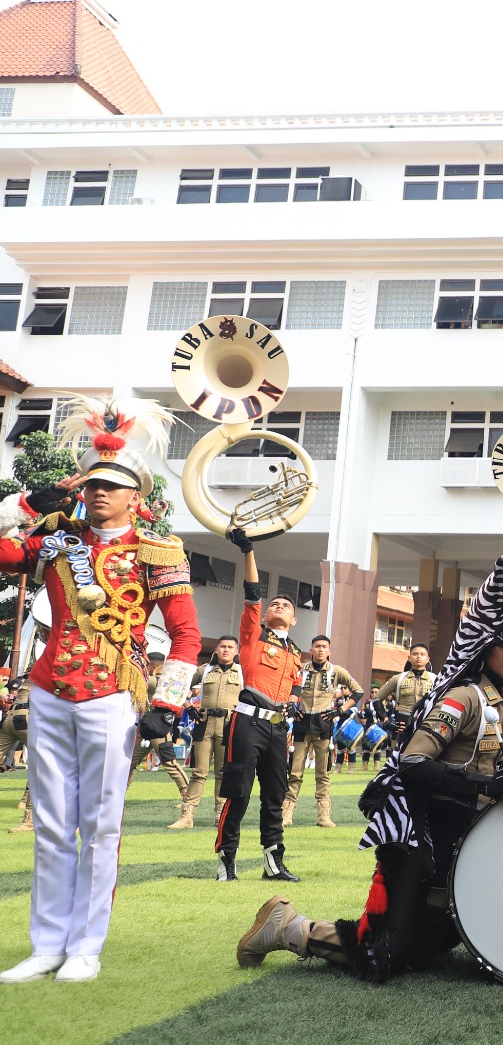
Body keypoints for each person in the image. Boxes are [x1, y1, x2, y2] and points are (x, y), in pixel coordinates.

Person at [236, 560, 503, 980]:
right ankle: (287, 926)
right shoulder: (462, 698)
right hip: (422, 831)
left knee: (426, 951)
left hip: (463, 832)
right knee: (386, 957)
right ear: (485, 646)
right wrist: (486, 784)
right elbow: (412, 764)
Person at [0, 396, 200, 985]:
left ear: (135, 496)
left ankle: (86, 945)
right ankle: (46, 945)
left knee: (102, 824)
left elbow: (187, 636)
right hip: (50, 689)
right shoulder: (57, 540)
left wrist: (167, 701)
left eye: (111, 487)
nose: (97, 495)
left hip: (113, 693)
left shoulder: (156, 551)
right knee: (54, 823)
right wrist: (27, 503)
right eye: (91, 487)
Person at [215, 528, 304, 884]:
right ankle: (227, 861)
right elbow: (252, 593)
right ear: (265, 616)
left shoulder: (297, 653)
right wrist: (248, 551)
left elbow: (296, 683)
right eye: (274, 605)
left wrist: (295, 701)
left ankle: (273, 863)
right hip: (247, 722)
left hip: (277, 727)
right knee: (238, 792)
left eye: (286, 605)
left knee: (275, 795)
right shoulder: (253, 633)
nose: (278, 606)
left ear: (295, 620)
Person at [285, 635, 362, 828]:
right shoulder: (301, 669)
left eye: (324, 647)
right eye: (317, 646)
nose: (320, 650)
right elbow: (287, 688)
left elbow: (358, 692)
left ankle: (323, 815)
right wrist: (292, 708)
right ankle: (286, 814)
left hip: (323, 725)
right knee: (294, 772)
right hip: (302, 724)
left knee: (323, 773)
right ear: (310, 650)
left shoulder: (337, 671)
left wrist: (340, 710)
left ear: (329, 651)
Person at [179, 637, 244, 825]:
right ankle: (187, 815)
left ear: (236, 651)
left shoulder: (242, 672)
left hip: (229, 724)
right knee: (199, 771)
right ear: (216, 649)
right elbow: (181, 685)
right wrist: (188, 706)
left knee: (224, 772)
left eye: (230, 647)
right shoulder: (204, 669)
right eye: (223, 646)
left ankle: (220, 814)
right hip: (204, 723)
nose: (226, 650)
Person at [128, 652, 192, 814]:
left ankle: (188, 797)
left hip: (157, 728)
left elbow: (137, 678)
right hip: (145, 728)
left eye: (147, 664)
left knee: (170, 764)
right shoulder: (161, 681)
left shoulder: (155, 680)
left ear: (154, 666)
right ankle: (119, 793)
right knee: (130, 764)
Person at [366, 643, 433, 747]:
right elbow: (376, 699)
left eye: (422, 654)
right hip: (402, 725)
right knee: (398, 760)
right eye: (415, 654)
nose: (419, 656)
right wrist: (386, 720)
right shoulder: (398, 678)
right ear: (409, 658)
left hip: (426, 724)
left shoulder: (436, 680)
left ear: (428, 659)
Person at [1, 679, 32, 833]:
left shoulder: (30, 678)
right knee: (41, 765)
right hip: (28, 718)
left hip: (11, 717)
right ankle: (29, 819)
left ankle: (23, 801)